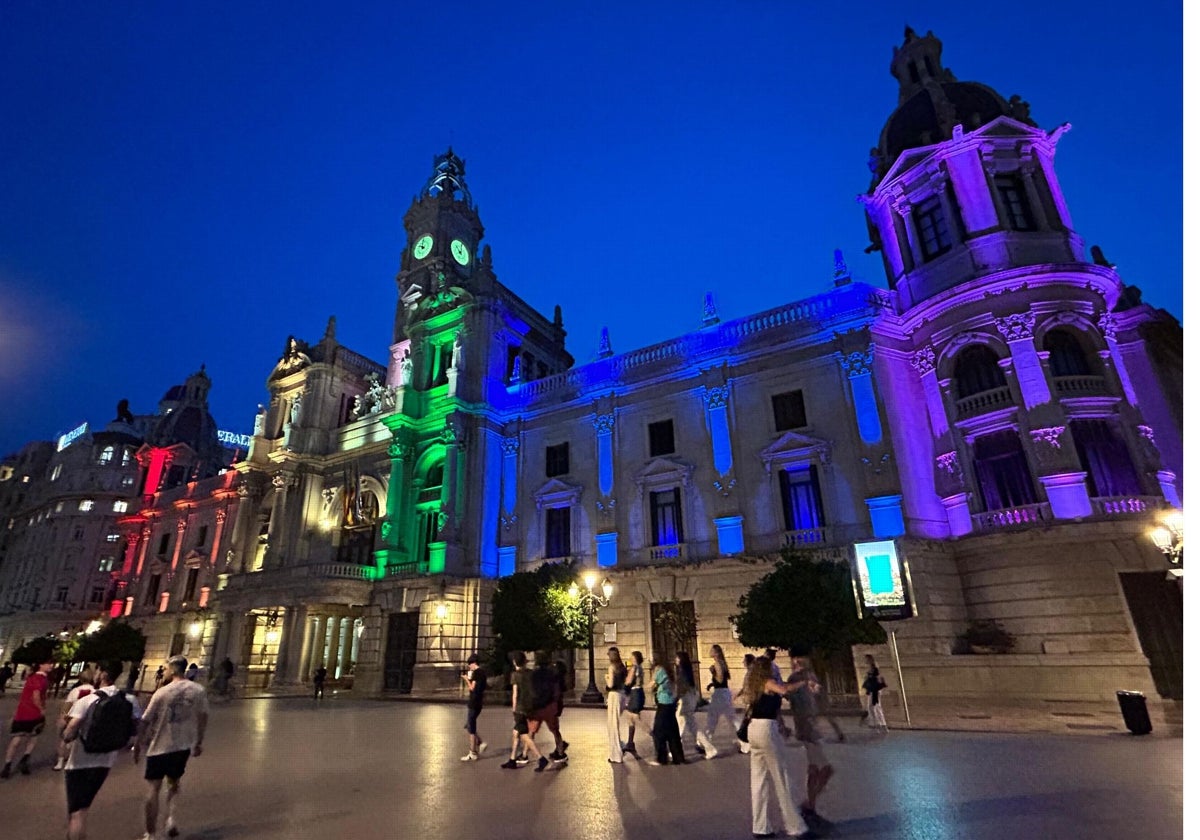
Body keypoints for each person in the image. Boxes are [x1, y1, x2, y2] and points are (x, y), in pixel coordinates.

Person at [61, 660, 142, 840]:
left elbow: (68, 733)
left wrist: (66, 728)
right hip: (105, 763)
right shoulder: (130, 700)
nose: (95, 674)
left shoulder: (88, 700)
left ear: (103, 674)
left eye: (97, 670)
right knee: (84, 808)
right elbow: (136, 726)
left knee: (76, 814)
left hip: (79, 763)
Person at [134, 655, 208, 840]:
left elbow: (145, 719)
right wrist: (198, 741)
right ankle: (171, 819)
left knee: (153, 790)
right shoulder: (198, 690)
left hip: (159, 746)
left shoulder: (162, 692)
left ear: (174, 669)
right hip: (182, 747)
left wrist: (137, 743)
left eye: (167, 668)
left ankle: (150, 834)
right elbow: (203, 716)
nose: (165, 670)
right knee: (174, 784)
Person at [745, 656, 813, 839]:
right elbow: (783, 689)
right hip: (766, 731)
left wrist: (782, 726)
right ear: (766, 669)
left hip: (754, 730)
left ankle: (760, 827)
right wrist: (803, 683)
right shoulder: (767, 682)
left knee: (758, 781)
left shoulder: (754, 685)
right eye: (772, 667)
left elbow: (767, 707)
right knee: (781, 778)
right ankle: (795, 826)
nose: (775, 669)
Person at [787, 649, 835, 830]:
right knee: (825, 769)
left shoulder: (810, 675)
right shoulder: (795, 679)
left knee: (814, 767)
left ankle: (810, 804)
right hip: (806, 727)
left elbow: (816, 698)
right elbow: (794, 703)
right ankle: (809, 802)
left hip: (811, 725)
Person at [2, 657, 54, 778]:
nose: (51, 666)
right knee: (32, 737)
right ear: (41, 665)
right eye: (48, 664)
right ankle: (23, 760)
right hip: (32, 712)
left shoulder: (34, 677)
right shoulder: (39, 679)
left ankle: (8, 764)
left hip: (22, 711)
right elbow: (36, 695)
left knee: (18, 738)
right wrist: (41, 709)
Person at [500, 651, 549, 771]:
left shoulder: (515, 675)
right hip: (531, 706)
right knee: (516, 732)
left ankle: (541, 758)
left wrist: (514, 708)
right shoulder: (530, 673)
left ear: (514, 662)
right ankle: (512, 760)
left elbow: (515, 694)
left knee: (523, 735)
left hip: (521, 708)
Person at [526, 651, 567, 765]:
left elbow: (531, 690)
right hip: (550, 705)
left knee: (531, 732)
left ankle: (525, 754)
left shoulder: (534, 674)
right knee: (555, 731)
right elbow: (556, 689)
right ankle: (560, 751)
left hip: (538, 705)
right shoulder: (552, 673)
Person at [676, 651, 717, 760]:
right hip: (688, 700)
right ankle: (709, 748)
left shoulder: (682, 672)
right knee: (691, 727)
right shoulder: (686, 671)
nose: (675, 660)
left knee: (681, 726)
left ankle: (675, 750)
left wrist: (675, 697)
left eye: (677, 658)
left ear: (681, 659)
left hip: (685, 701)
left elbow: (683, 688)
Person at [55, 668, 96, 771]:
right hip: (87, 719)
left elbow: (67, 705)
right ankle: (71, 761)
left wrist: (62, 717)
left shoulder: (75, 691)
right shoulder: (95, 691)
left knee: (64, 739)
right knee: (78, 741)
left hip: (73, 717)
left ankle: (60, 762)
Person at [648, 656, 685, 766]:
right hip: (670, 703)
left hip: (663, 703)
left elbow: (651, 685)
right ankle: (678, 757)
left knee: (658, 731)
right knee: (673, 731)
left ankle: (661, 758)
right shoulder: (669, 670)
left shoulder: (660, 670)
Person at [705, 645, 741, 749]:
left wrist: (712, 672)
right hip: (724, 692)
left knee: (712, 717)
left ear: (716, 653)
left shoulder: (717, 664)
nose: (710, 652)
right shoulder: (722, 662)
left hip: (720, 694)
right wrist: (712, 684)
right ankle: (744, 739)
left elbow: (720, 679)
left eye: (711, 650)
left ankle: (706, 742)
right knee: (731, 718)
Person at [460, 654, 488, 761]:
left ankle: (473, 752)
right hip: (479, 701)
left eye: (469, 665)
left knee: (471, 727)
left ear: (473, 663)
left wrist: (466, 679)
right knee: (468, 725)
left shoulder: (477, 673)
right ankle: (480, 743)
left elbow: (472, 688)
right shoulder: (483, 673)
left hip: (474, 702)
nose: (469, 667)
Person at [604, 647, 627, 764]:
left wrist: (607, 678)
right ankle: (619, 748)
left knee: (612, 725)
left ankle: (616, 755)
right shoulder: (622, 667)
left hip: (614, 695)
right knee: (615, 723)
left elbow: (611, 684)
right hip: (622, 695)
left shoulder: (612, 667)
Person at [622, 651, 646, 760]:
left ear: (635, 658)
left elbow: (628, 682)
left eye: (631, 656)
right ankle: (630, 743)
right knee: (630, 718)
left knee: (635, 718)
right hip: (639, 693)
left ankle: (655, 735)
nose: (629, 657)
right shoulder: (640, 668)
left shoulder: (634, 668)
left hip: (634, 694)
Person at [862, 654, 887, 732]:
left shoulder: (874, 668)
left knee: (873, 707)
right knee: (875, 706)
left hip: (874, 690)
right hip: (874, 690)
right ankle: (881, 724)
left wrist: (868, 677)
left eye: (866, 659)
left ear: (869, 660)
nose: (865, 661)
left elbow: (875, 678)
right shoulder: (872, 668)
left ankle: (879, 724)